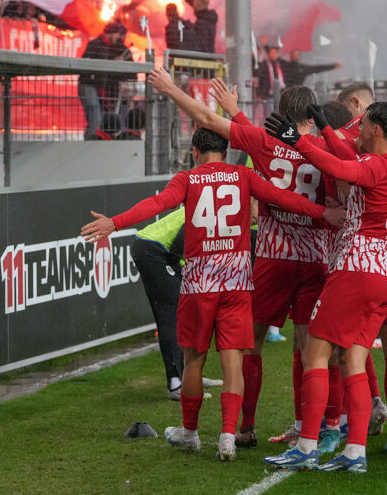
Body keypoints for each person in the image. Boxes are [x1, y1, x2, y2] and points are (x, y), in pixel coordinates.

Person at [81, 127, 335, 462]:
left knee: (194, 360)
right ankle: (228, 437)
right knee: (233, 362)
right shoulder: (243, 176)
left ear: (195, 151)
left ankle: (190, 433)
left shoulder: (187, 179)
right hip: (236, 283)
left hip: (199, 285)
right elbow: (283, 198)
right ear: (226, 152)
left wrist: (115, 222)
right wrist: (323, 213)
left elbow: (157, 204)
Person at [147, 69, 333, 451]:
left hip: (273, 255)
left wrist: (171, 89)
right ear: (312, 116)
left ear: (280, 112)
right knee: (308, 346)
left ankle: (246, 427)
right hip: (317, 254)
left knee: (251, 344)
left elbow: (206, 119)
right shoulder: (324, 148)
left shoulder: (264, 142)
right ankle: (310, 424)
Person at [262, 101, 387, 474]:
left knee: (316, 355)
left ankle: (307, 446)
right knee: (354, 361)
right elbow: (349, 158)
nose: (357, 132)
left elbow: (339, 166)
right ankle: (354, 453)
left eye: (363, 127)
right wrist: (326, 129)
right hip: (383, 274)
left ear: (376, 131)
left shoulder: (374, 165)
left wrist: (300, 142)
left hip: (354, 268)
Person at [130, 209, 193, 399]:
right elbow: (177, 249)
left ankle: (191, 375)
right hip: (153, 250)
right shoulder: (205, 210)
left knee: (188, 309)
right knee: (171, 313)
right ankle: (175, 383)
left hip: (160, 250)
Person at [77, 22, 133, 140]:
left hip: (96, 87)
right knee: (95, 120)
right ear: (112, 33)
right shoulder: (95, 45)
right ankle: (91, 145)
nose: (118, 39)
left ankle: (94, 143)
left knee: (99, 119)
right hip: (89, 84)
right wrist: (113, 63)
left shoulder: (105, 46)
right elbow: (87, 66)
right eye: (118, 35)